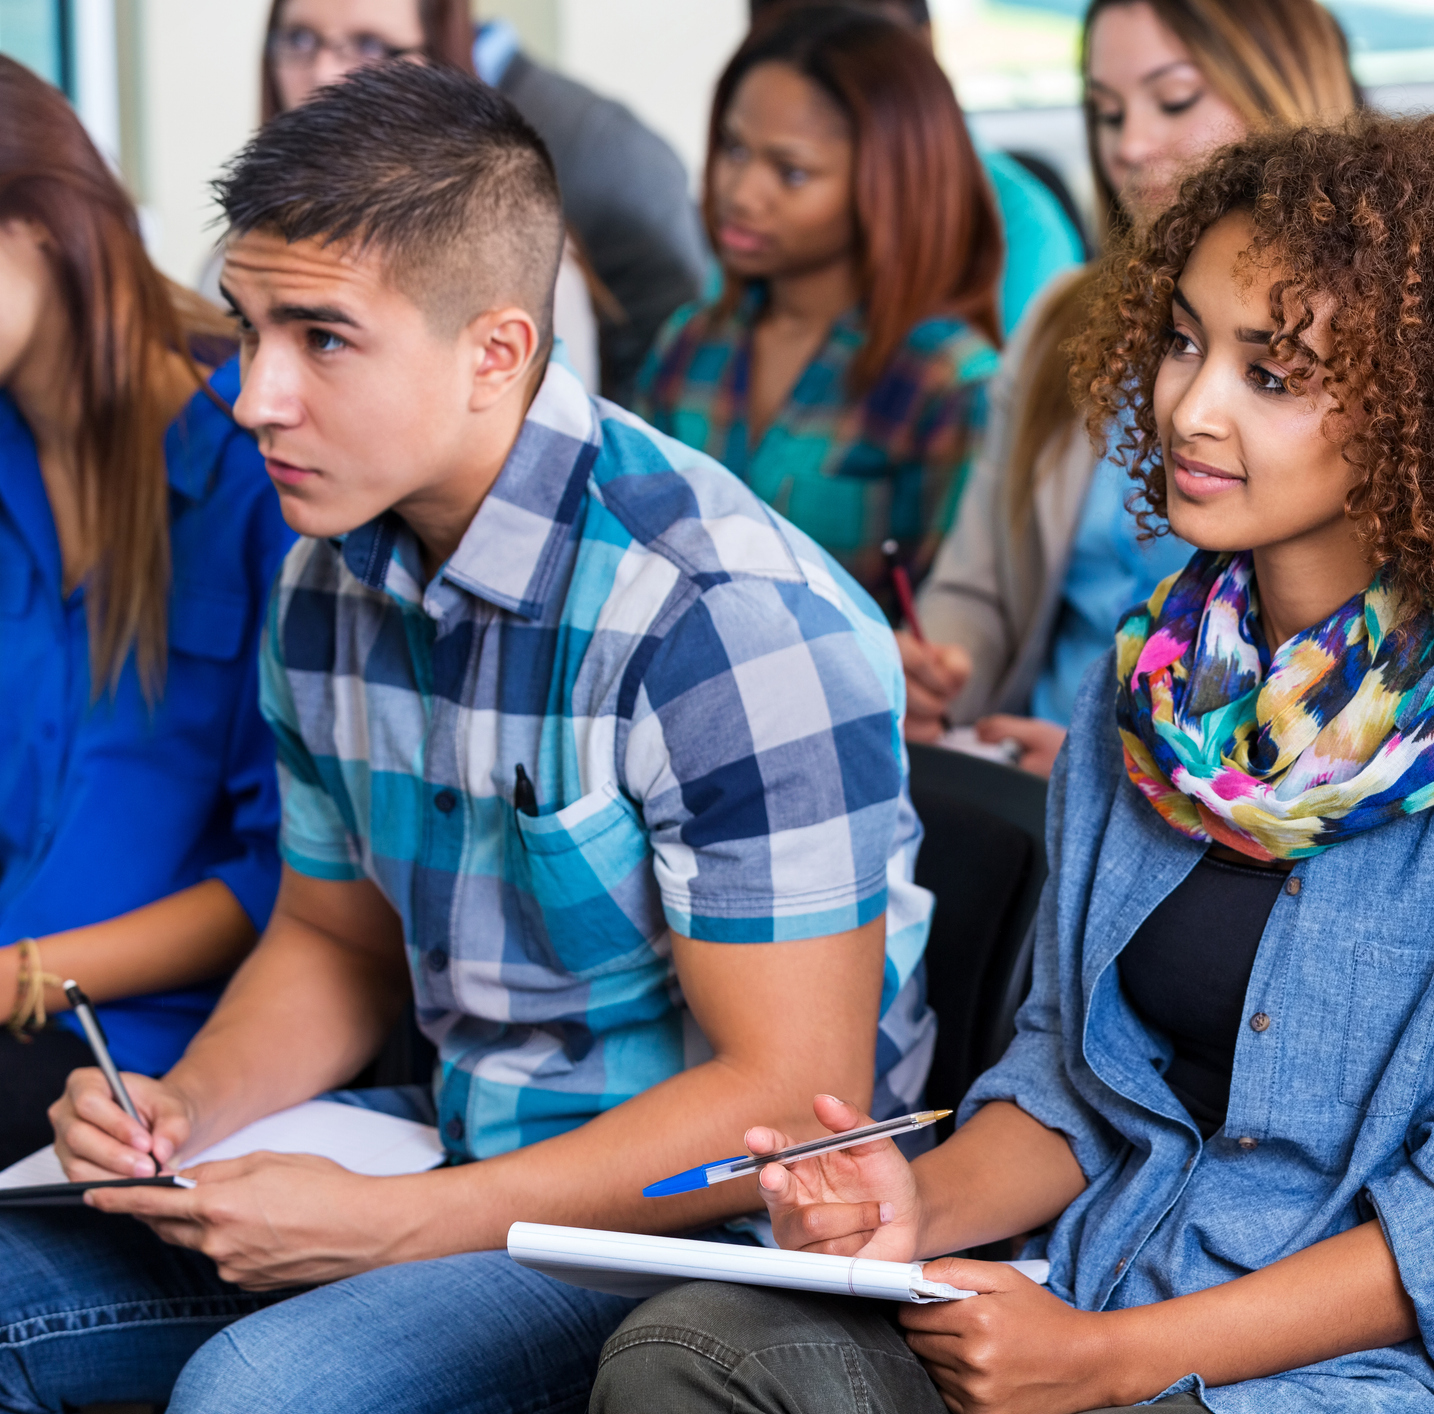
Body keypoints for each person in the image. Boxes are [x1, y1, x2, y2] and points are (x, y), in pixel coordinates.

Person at [589, 113, 1434, 1414]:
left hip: (1334, 1378)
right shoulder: (1155, 686)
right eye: (1183, 339)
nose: (1189, 403)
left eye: (1271, 374)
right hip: (1089, 1283)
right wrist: (911, 1200)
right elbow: (1071, 1081)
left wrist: (1105, 1362)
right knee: (685, 1352)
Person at [0, 62, 933, 1413]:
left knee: (260, 1390)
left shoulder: (718, 616)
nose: (252, 393)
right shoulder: (328, 577)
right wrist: (180, 1109)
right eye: (245, 326)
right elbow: (333, 941)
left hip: (685, 1234)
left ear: (494, 350)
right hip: (447, 1154)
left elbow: (786, 1099)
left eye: (318, 339)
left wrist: (393, 1228)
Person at [904, 0, 1358, 777]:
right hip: (1021, 761)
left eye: (1174, 99)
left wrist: (1110, 766)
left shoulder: (1378, 332)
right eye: (1105, 113)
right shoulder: (1062, 323)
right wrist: (935, 672)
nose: (1131, 145)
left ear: (1284, 92)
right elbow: (978, 591)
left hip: (1240, 785)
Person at [0, 60, 294, 1168]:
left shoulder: (257, 465)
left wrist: (24, 971)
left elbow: (291, 880)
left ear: (33, 220)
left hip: (149, 1042)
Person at [636, 4, 1002, 603]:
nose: (740, 191)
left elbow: (949, 621)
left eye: (792, 172)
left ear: (887, 183)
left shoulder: (946, 381)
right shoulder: (691, 342)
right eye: (732, 148)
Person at [255, 0, 710, 396]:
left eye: (371, 46)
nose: (322, 75)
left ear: (439, 59)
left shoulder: (568, 190)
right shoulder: (242, 247)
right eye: (298, 38)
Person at [749, 0, 1086, 336]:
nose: (821, 73)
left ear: (924, 42)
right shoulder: (759, 214)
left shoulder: (1020, 227)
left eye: (867, 43)